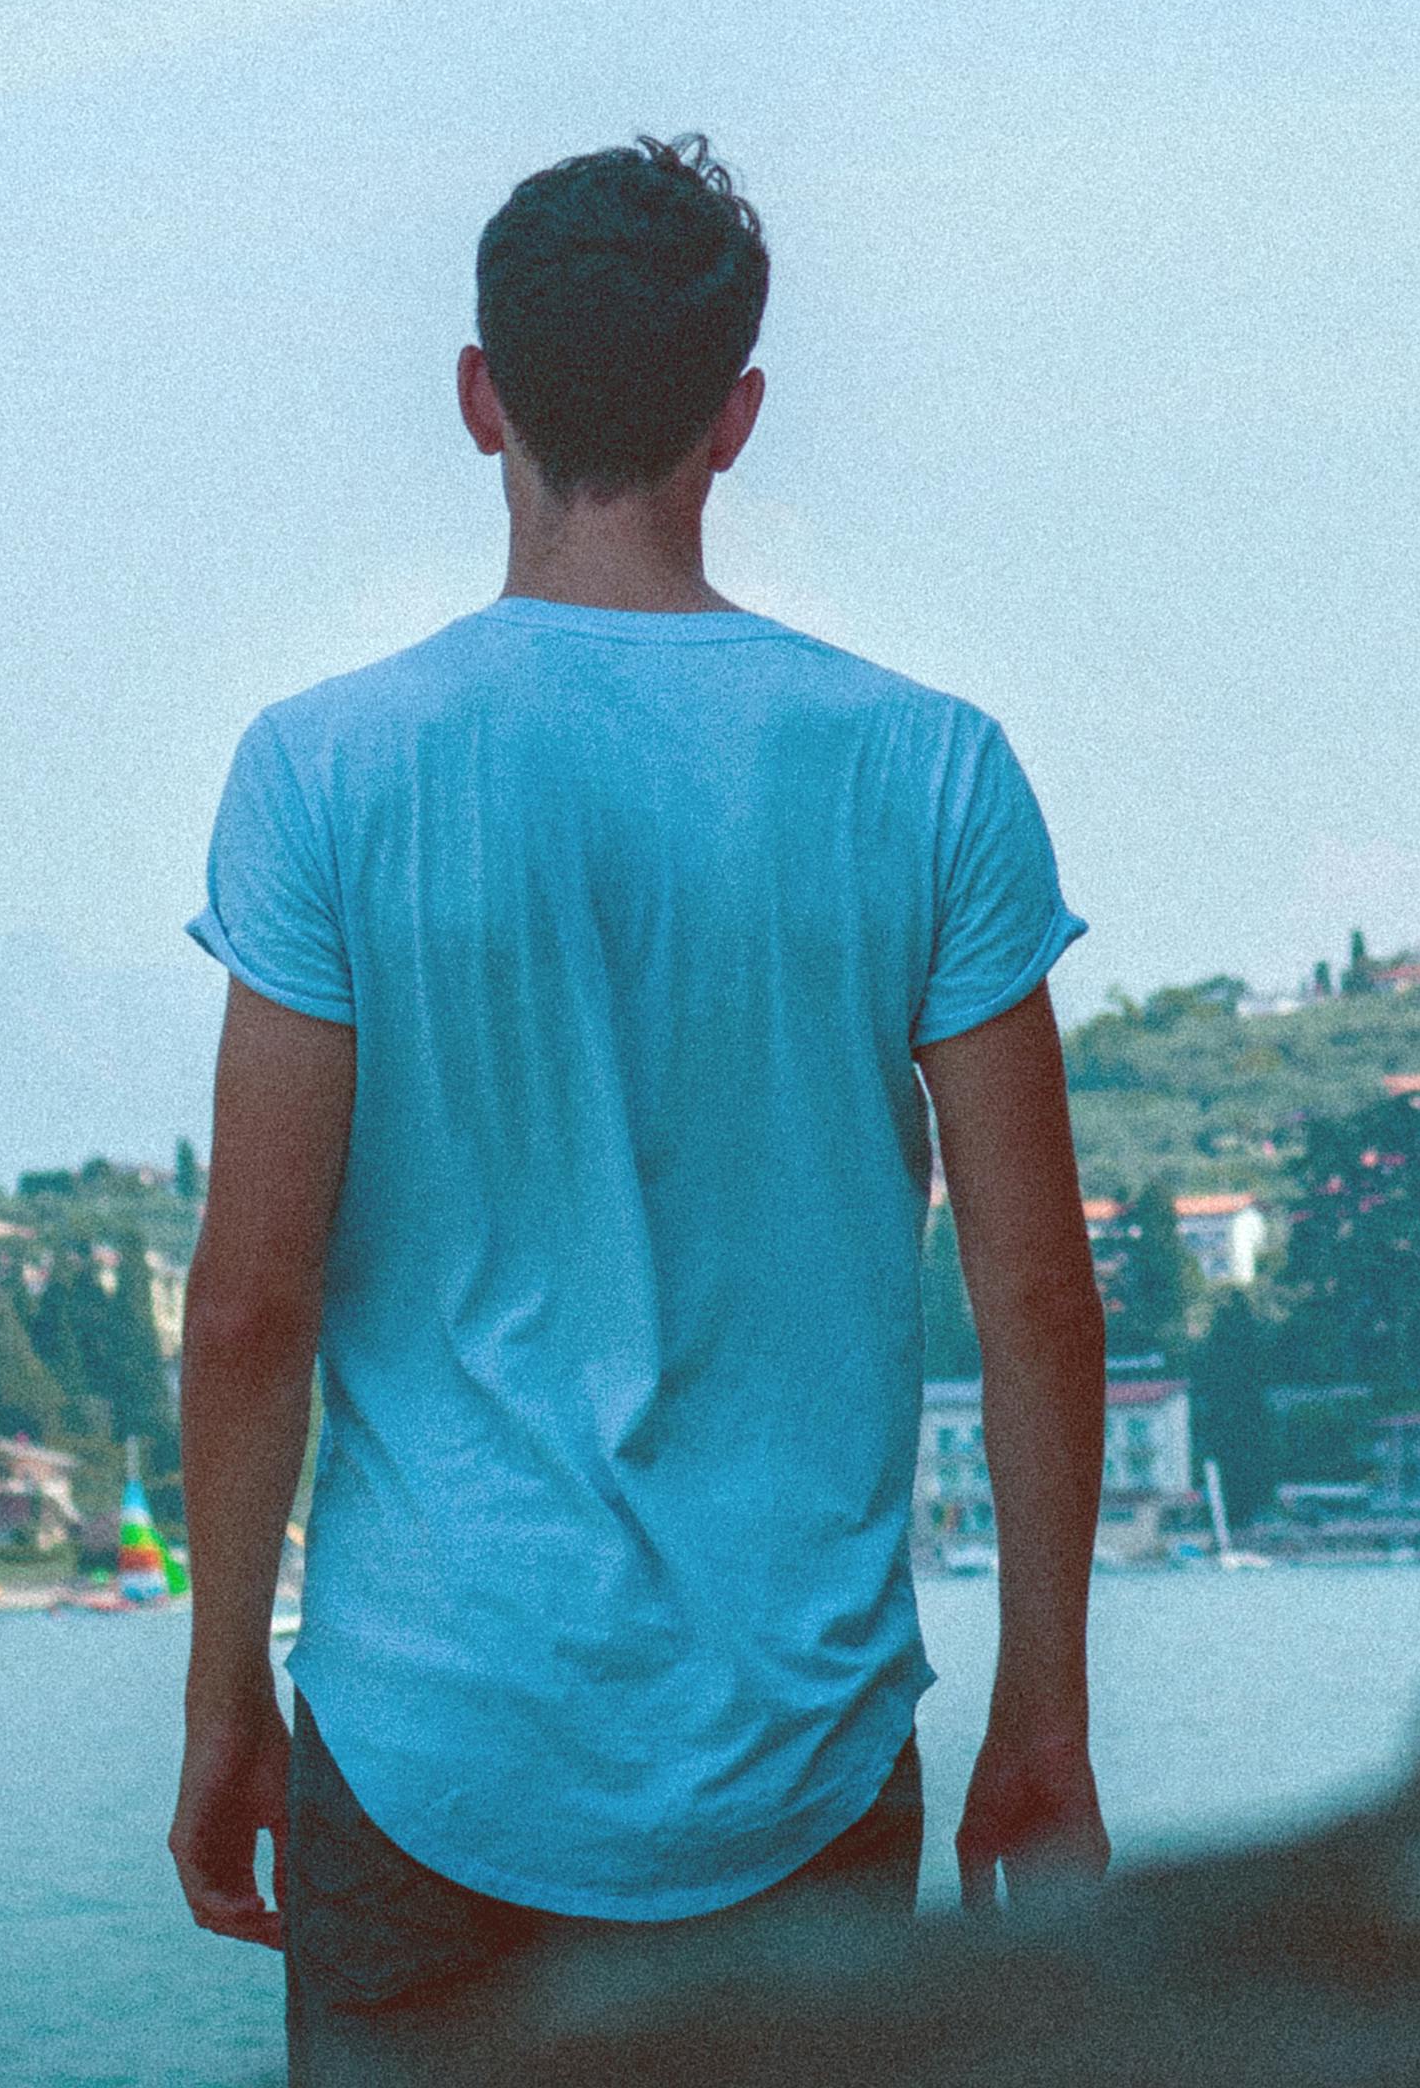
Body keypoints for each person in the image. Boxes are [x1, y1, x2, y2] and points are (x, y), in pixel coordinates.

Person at [167, 134, 1108, 2076]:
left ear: (478, 391)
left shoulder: (320, 773)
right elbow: (1037, 1291)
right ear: (737, 412)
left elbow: (250, 1301)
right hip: (796, 1754)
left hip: (429, 1741)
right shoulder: (932, 773)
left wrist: (221, 1699)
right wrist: (1045, 1712)